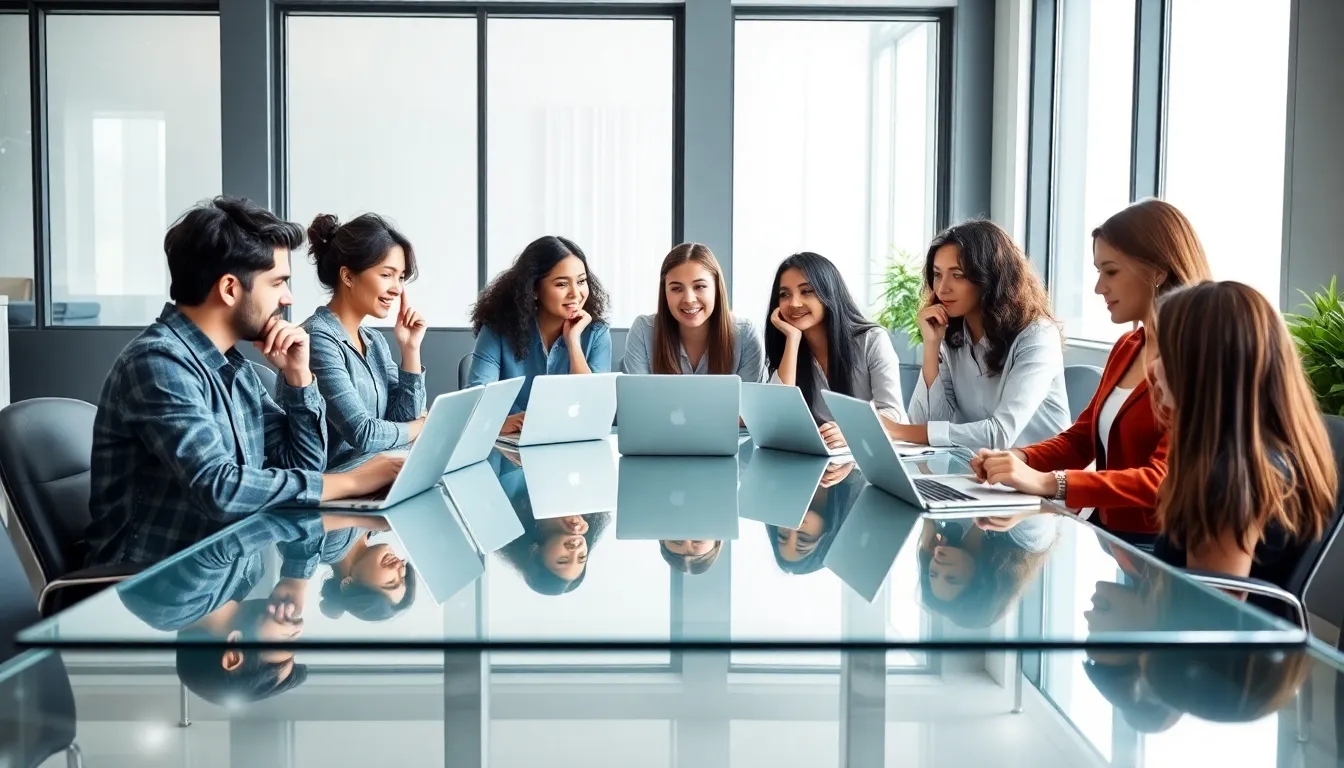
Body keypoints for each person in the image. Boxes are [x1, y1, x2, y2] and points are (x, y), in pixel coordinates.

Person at [86, 196, 404, 569]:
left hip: (222, 576)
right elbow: (220, 489)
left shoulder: (234, 367)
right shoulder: (158, 363)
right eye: (278, 282)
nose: (288, 297)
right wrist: (351, 482)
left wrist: (299, 378)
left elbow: (299, 464)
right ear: (230, 289)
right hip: (150, 591)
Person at [971, 199, 1213, 542]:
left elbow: (1161, 480)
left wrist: (1046, 483)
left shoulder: (1198, 358)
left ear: (1158, 271)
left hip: (1160, 553)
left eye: (1111, 271)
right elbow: (1080, 441)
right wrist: (1014, 459)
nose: (1099, 287)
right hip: (1110, 539)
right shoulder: (1129, 348)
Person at [1148, 281, 1337, 587]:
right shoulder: (1260, 455)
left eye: (1163, 354)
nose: (1154, 368)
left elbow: (1211, 619)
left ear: (1198, 366)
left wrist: (1137, 610)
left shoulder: (1230, 479)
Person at [118, 509, 386, 704]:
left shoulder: (169, 605)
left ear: (234, 655)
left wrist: (299, 573)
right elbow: (282, 505)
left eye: (286, 649)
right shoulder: (248, 579)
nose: (298, 633)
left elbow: (242, 523)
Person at [893, 220, 1069, 452]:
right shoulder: (953, 336)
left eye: (958, 275)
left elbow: (1000, 435)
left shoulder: (1037, 335)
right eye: (937, 275)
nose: (943, 288)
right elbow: (926, 424)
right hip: (980, 474)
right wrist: (931, 346)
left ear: (991, 277)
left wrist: (895, 430)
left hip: (1040, 478)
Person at [301, 213, 428, 472]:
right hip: (336, 485)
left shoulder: (374, 340)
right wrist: (421, 427)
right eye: (387, 275)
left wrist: (410, 350)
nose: (397, 289)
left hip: (379, 471)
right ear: (348, 277)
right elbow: (363, 433)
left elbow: (403, 418)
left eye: (401, 277)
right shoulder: (317, 339)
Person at [468, 236, 612, 435]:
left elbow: (593, 409)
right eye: (562, 284)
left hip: (573, 450)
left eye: (581, 281)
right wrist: (503, 423)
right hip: (507, 449)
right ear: (534, 289)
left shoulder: (597, 334)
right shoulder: (497, 330)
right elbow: (475, 405)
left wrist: (573, 341)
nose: (575, 293)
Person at [764, 252, 906, 451]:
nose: (794, 303)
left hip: (869, 459)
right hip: (818, 462)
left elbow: (893, 413)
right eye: (784, 294)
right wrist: (793, 340)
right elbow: (775, 415)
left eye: (806, 291)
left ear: (828, 292)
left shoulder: (871, 340)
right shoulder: (790, 347)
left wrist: (853, 431)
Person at [622, 243, 766, 382]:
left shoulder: (745, 335)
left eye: (700, 286)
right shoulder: (643, 331)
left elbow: (747, 403)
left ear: (717, 289)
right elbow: (639, 403)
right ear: (664, 292)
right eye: (676, 289)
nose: (689, 300)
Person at [917, 512, 1058, 628]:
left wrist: (927, 518)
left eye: (933, 574)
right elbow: (1034, 493)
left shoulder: (948, 531)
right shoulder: (1031, 539)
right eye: (952, 578)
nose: (939, 564)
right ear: (980, 582)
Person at [317, 531, 418, 621]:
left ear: (348, 584)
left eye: (391, 582)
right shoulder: (376, 525)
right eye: (403, 575)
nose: (401, 567)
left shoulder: (331, 539)